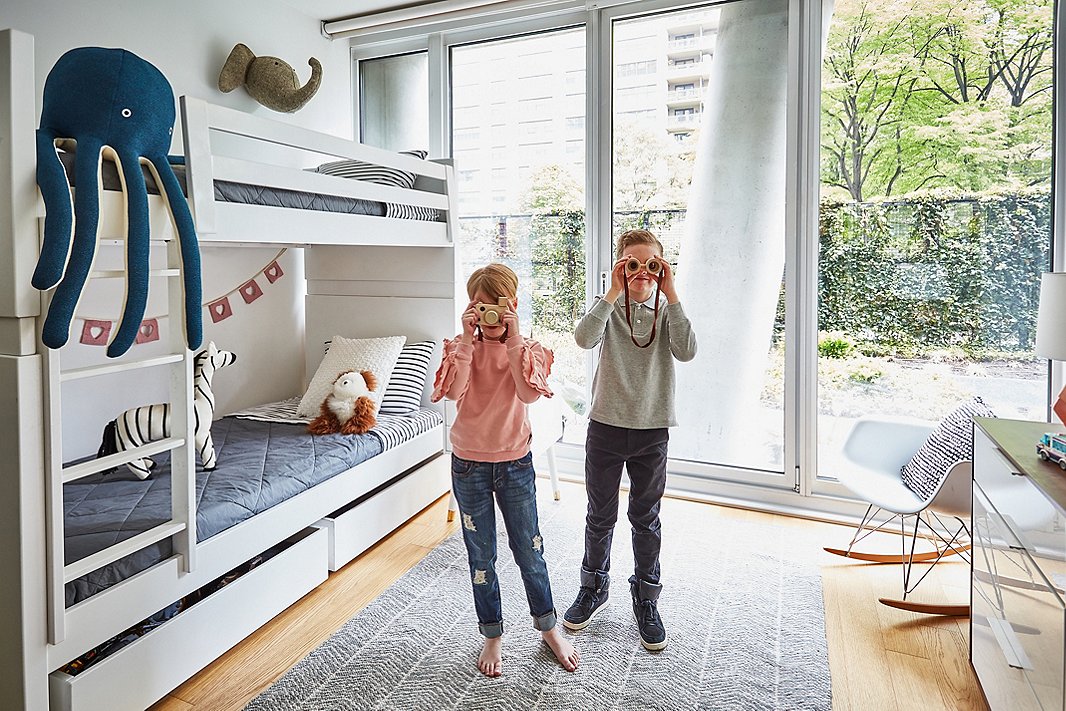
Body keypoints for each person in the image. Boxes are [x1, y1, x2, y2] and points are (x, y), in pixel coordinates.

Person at [432, 263, 581, 677]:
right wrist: (466, 340)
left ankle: (548, 628)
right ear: (471, 308)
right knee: (481, 556)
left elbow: (527, 395)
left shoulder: (528, 348)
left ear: (511, 305)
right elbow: (456, 392)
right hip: (469, 464)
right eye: (480, 305)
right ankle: (492, 633)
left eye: (497, 304)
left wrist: (513, 341)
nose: (489, 314)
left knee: (529, 552)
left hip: (514, 462)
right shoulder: (460, 348)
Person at [564, 228, 697, 651]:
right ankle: (594, 588)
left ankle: (646, 595)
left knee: (646, 517)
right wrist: (610, 292)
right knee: (599, 515)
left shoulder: (666, 308)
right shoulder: (611, 308)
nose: (642, 271)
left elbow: (688, 350)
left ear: (662, 268)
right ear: (620, 267)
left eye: (651, 264)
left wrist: (671, 294)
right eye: (632, 263)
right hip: (605, 425)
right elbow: (584, 338)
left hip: (652, 429)